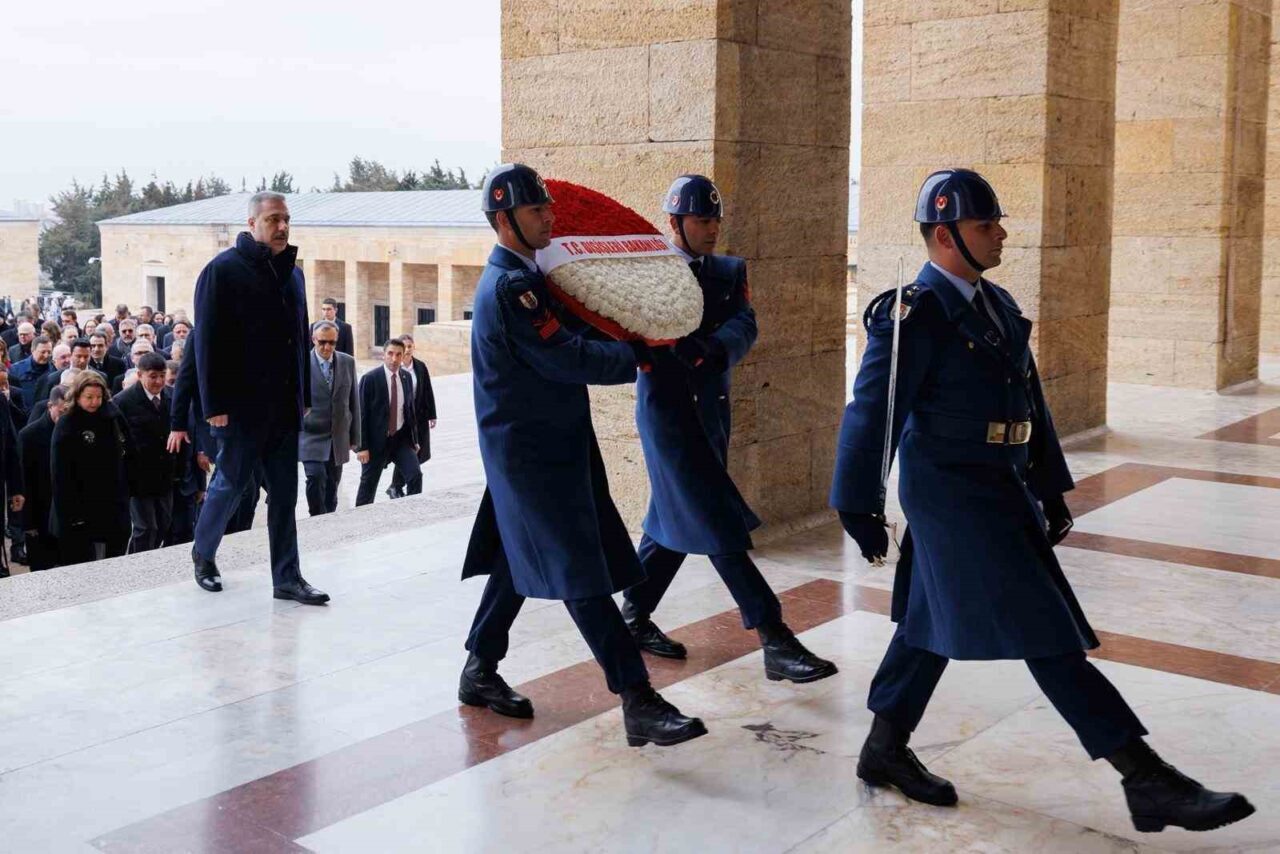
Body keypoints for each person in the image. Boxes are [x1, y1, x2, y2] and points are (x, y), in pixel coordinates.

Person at [832, 168, 1254, 832]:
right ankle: (1144, 777)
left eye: (997, 223)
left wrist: (1050, 484)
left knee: (925, 621)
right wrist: (857, 501)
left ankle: (884, 749)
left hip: (1000, 485)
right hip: (950, 494)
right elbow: (872, 411)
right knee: (1044, 628)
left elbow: (1030, 403)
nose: (1000, 234)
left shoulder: (995, 304)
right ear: (944, 236)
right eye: (985, 225)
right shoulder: (915, 314)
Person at [459, 163, 705, 747]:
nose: (550, 216)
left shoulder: (532, 276)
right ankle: (638, 699)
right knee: (577, 572)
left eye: (546, 206)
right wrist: (641, 357)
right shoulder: (511, 288)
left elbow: (575, 334)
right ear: (504, 220)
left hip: (546, 442)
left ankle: (479, 668)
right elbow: (565, 357)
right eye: (536, 210)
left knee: (517, 555)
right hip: (530, 454)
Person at [622, 175, 837, 683]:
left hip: (711, 412)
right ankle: (774, 637)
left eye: (715, 219)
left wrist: (715, 348)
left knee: (675, 517)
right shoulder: (648, 271)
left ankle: (632, 615)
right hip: (667, 417)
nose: (712, 228)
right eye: (702, 220)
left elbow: (746, 323)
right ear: (675, 222)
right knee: (715, 520)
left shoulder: (728, 270)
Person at [191, 191, 324, 604]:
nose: (282, 227)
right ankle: (203, 554)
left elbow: (300, 338)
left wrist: (302, 393)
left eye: (286, 219)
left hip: (284, 409)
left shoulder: (294, 275)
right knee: (230, 485)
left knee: (285, 495)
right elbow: (206, 343)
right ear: (252, 224)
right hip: (241, 410)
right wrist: (214, 406)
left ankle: (288, 578)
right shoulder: (221, 271)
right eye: (272, 220)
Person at [51, 372, 131, 564]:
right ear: (77, 396)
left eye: (98, 397)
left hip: (111, 499)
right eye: (89, 397)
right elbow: (59, 473)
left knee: (114, 556)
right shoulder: (67, 423)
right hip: (79, 503)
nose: (95, 402)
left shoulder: (112, 416)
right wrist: (71, 513)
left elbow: (129, 449)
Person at [117, 352, 176, 553]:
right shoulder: (123, 402)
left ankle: (142, 556)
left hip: (165, 473)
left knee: (163, 523)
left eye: (162, 376)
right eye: (153, 376)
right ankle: (139, 563)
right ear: (140, 375)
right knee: (145, 528)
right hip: (138, 476)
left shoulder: (172, 396)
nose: (158, 381)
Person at [300, 320, 359, 516]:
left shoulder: (348, 362)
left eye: (332, 342)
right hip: (310, 436)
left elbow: (354, 402)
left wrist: (355, 438)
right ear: (313, 339)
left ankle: (328, 519)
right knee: (315, 478)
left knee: (332, 487)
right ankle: (316, 517)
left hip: (337, 438)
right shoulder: (302, 363)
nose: (327, 347)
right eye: (322, 342)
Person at [354, 339, 419, 505]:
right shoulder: (370, 379)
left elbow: (409, 411)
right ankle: (359, 517)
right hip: (375, 442)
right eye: (390, 353)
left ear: (403, 356)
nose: (394, 359)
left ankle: (413, 512)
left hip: (400, 439)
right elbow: (361, 414)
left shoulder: (406, 377)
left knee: (415, 476)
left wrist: (414, 440)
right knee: (368, 486)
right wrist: (362, 447)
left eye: (398, 354)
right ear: (384, 355)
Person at [19, 387, 67, 571]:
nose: (64, 417)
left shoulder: (74, 429)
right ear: (50, 406)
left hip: (67, 514)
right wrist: (28, 523)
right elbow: (25, 482)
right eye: (61, 412)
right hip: (40, 515)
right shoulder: (29, 436)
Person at [386, 333, 436, 500]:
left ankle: (398, 485)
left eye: (410, 346)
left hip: (419, 417)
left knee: (417, 453)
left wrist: (432, 414)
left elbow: (427, 390)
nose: (407, 350)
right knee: (407, 453)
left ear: (414, 347)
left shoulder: (420, 366)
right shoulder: (395, 367)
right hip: (403, 418)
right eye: (404, 347)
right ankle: (396, 486)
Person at [11, 335, 53, 412]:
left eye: (49, 352)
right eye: (43, 352)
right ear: (33, 350)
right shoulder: (16, 369)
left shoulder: (53, 372)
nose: (46, 355)